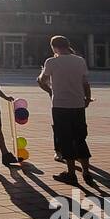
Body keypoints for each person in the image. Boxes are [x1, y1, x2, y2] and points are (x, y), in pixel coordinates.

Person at [38, 35, 92, 181]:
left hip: (60, 105)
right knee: (80, 137)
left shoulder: (51, 62)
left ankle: (71, 173)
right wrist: (87, 98)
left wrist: (49, 90)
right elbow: (85, 83)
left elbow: (42, 80)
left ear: (53, 47)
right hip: (78, 104)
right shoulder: (80, 60)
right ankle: (86, 171)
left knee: (66, 138)